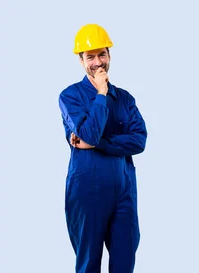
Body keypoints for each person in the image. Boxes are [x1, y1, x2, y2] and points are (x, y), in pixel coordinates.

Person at [58, 24, 148, 273]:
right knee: (89, 264)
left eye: (102, 54)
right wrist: (101, 94)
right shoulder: (70, 97)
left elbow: (139, 140)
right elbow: (89, 133)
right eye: (90, 57)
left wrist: (97, 144)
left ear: (109, 55)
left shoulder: (126, 99)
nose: (98, 62)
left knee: (125, 260)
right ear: (81, 60)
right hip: (88, 190)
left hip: (124, 193)